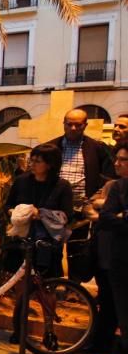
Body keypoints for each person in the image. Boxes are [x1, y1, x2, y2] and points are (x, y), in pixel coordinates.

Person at [45, 109, 112, 282]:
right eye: (69, 124)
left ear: (85, 125)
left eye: (78, 124)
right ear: (64, 124)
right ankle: (52, 284)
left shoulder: (96, 148)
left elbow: (107, 176)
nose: (73, 128)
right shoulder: (52, 147)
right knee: (52, 248)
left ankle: (74, 286)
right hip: (54, 207)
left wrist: (95, 197)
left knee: (77, 249)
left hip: (81, 207)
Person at [4, 143, 74, 279]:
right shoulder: (21, 181)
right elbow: (8, 205)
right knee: (19, 282)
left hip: (47, 243)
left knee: (47, 285)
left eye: (38, 161)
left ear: (50, 164)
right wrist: (15, 213)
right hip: (21, 240)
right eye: (32, 160)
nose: (32, 164)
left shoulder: (62, 186)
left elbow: (68, 216)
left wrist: (41, 215)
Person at [87, 142, 128, 354]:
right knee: (115, 305)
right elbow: (105, 217)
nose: (117, 163)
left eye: (123, 160)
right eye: (117, 159)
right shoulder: (117, 186)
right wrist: (117, 216)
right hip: (113, 255)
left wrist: (118, 216)